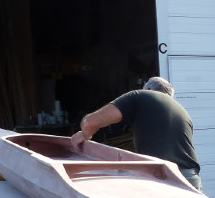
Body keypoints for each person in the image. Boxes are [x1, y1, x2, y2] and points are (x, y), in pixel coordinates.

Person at [70, 77, 202, 191]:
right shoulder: (182, 111)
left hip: (163, 180)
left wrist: (84, 135)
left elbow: (89, 122)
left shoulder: (140, 96)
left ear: (148, 89)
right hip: (190, 179)